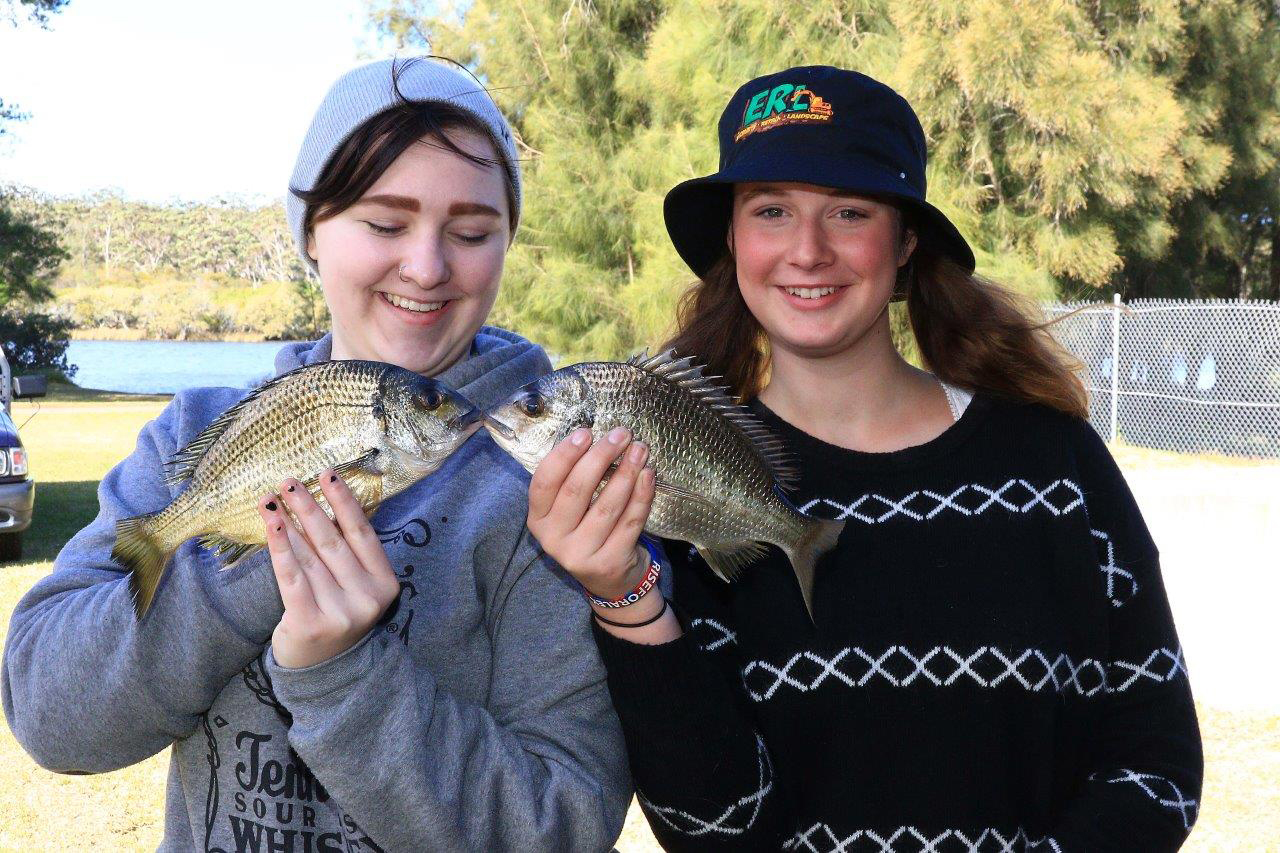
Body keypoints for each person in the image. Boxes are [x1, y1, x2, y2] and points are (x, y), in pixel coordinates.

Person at [525, 66, 1202, 851]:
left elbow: (1155, 768)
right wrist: (622, 592)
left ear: (906, 239)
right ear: (733, 239)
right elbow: (713, 827)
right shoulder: (670, 494)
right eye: (771, 210)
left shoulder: (1054, 463)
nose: (807, 251)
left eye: (849, 211)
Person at [3, 57, 630, 852]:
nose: (427, 266)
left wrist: (345, 674)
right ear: (309, 232)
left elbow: (566, 820)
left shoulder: (557, 483)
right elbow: (49, 714)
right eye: (385, 224)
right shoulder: (192, 431)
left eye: (472, 232)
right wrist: (248, 570)